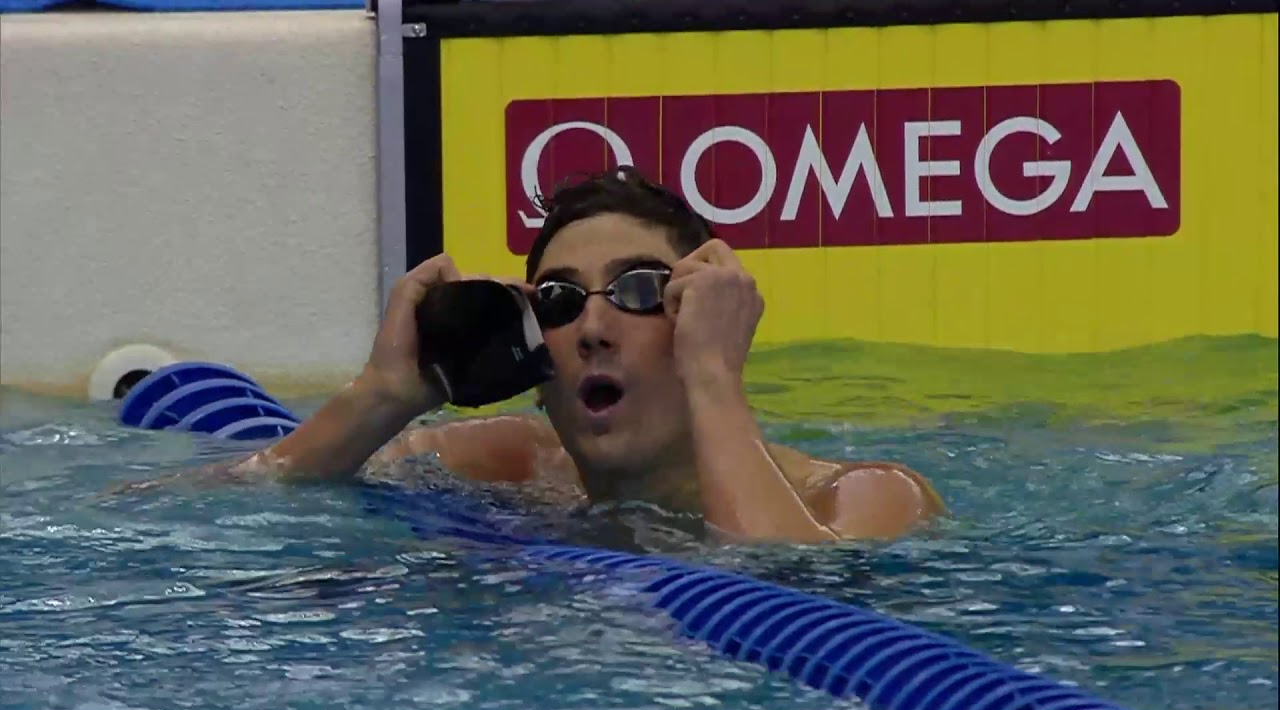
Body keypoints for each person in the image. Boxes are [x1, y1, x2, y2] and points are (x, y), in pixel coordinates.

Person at [234, 167, 945, 544]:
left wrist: (712, 377)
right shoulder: (516, 465)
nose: (593, 327)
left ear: (703, 322)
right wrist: (382, 397)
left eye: (640, 290)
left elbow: (783, 599)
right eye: (559, 301)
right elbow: (234, 505)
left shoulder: (867, 496)